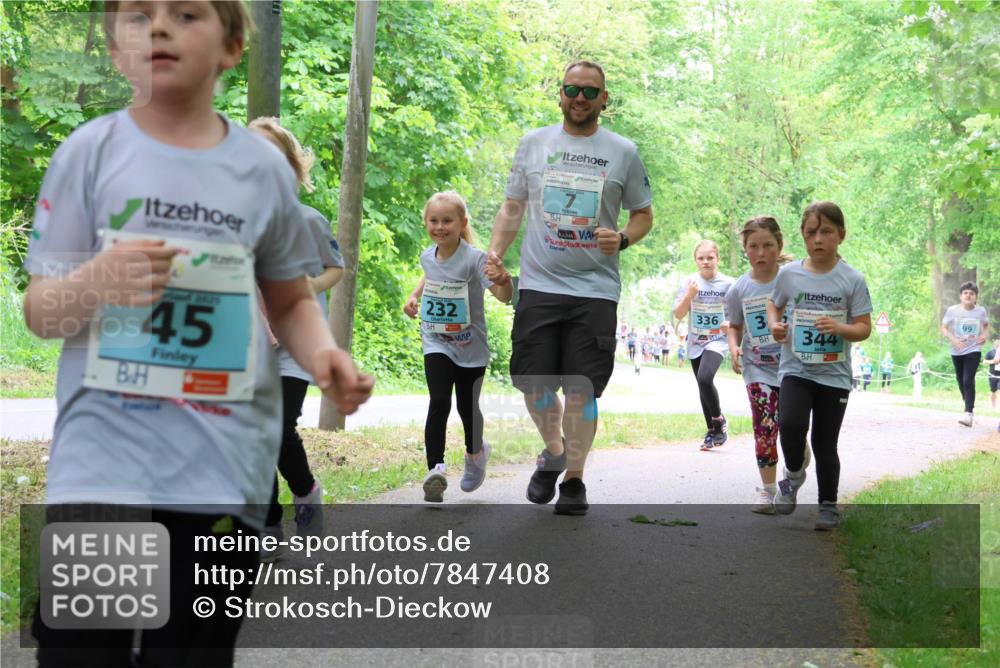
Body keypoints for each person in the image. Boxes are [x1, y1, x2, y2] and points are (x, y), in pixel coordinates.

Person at [22, 2, 374, 665]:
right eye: (137, 15)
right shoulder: (87, 155)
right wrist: (96, 282)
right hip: (103, 472)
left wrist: (325, 355)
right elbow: (42, 314)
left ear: (233, 47)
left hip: (221, 470)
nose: (157, 27)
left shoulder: (263, 171)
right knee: (79, 656)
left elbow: (291, 299)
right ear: (115, 43)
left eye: (185, 13)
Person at [486, 60, 653, 515]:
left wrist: (621, 238)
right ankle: (554, 451)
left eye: (589, 91)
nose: (579, 98)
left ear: (604, 99)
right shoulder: (533, 144)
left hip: (596, 288)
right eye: (571, 89)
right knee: (532, 381)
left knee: (583, 388)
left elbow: (643, 215)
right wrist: (495, 255)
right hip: (539, 283)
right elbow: (513, 206)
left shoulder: (623, 151)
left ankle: (574, 479)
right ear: (559, 95)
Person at [249, 117, 344, 557]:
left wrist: (307, 288)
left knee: (276, 427)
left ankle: (305, 491)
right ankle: (267, 524)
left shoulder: (308, 220)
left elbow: (335, 269)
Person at [768, 201, 872, 531]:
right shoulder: (789, 275)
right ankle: (793, 476)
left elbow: (864, 327)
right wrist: (775, 326)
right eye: (811, 232)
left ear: (840, 235)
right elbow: (774, 305)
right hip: (796, 369)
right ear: (802, 235)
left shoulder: (852, 279)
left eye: (826, 232)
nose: (818, 239)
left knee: (826, 443)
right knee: (791, 427)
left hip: (834, 376)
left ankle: (828, 505)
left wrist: (841, 329)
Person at [404, 192, 513, 502]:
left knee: (467, 408)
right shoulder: (428, 255)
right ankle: (435, 469)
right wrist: (414, 297)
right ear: (425, 223)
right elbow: (431, 276)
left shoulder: (476, 259)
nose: (440, 227)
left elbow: (503, 296)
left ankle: (476, 454)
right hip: (436, 340)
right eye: (434, 220)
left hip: (470, 347)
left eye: (447, 220)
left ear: (462, 223)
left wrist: (504, 280)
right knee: (439, 400)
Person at [725, 216, 798, 513]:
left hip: (794, 368)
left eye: (768, 245)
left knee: (792, 429)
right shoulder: (738, 290)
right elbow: (734, 325)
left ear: (779, 246)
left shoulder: (794, 281)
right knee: (765, 426)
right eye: (753, 246)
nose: (761, 252)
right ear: (745, 249)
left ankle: (792, 470)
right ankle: (768, 491)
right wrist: (733, 348)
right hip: (758, 368)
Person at [673, 239, 734, 451]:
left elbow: (738, 313)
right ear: (695, 260)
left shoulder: (729, 284)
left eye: (710, 257)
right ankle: (712, 431)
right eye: (701, 258)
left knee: (705, 377)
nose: (706, 262)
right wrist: (690, 295)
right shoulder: (689, 282)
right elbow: (678, 314)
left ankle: (718, 421)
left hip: (718, 340)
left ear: (718, 259)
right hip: (695, 341)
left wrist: (731, 324)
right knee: (702, 386)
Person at [941, 282, 991, 426]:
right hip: (956, 350)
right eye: (966, 293)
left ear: (975, 297)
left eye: (971, 293)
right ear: (961, 296)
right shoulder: (952, 310)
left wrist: (984, 335)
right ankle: (968, 408)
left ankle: (968, 414)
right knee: (960, 380)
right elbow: (944, 327)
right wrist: (954, 340)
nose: (968, 295)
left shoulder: (980, 311)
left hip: (974, 349)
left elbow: (986, 325)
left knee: (968, 380)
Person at [985, 338, 1000, 409]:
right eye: (997, 341)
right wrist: (993, 361)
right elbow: (984, 361)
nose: (998, 342)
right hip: (993, 375)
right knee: (993, 391)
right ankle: (993, 406)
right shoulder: (990, 352)